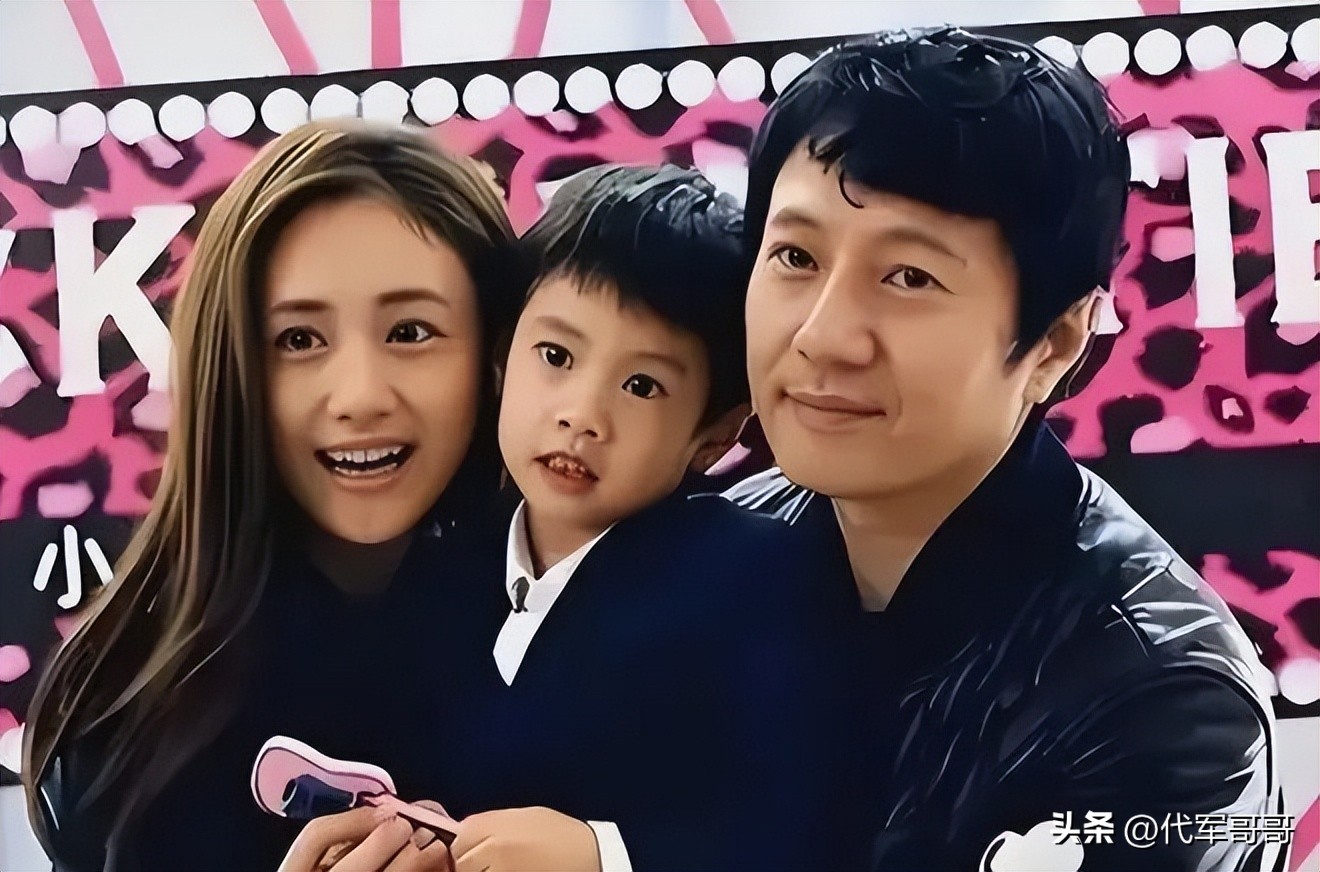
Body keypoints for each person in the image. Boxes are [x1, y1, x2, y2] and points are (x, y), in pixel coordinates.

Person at [726, 27, 1285, 872]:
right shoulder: (701, 553)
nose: (822, 334)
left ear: (1056, 343)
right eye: (796, 256)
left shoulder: (1168, 699)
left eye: (909, 277)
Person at [22, 120, 519, 872]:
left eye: (412, 331)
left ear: (496, 353)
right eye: (298, 340)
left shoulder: (603, 638)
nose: (359, 396)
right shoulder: (126, 708)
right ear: (230, 368)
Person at [402, 165, 858, 872]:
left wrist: (605, 854)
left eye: (641, 386)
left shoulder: (758, 579)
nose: (582, 415)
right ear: (500, 358)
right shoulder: (436, 565)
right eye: (556, 355)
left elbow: (794, 823)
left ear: (716, 434)